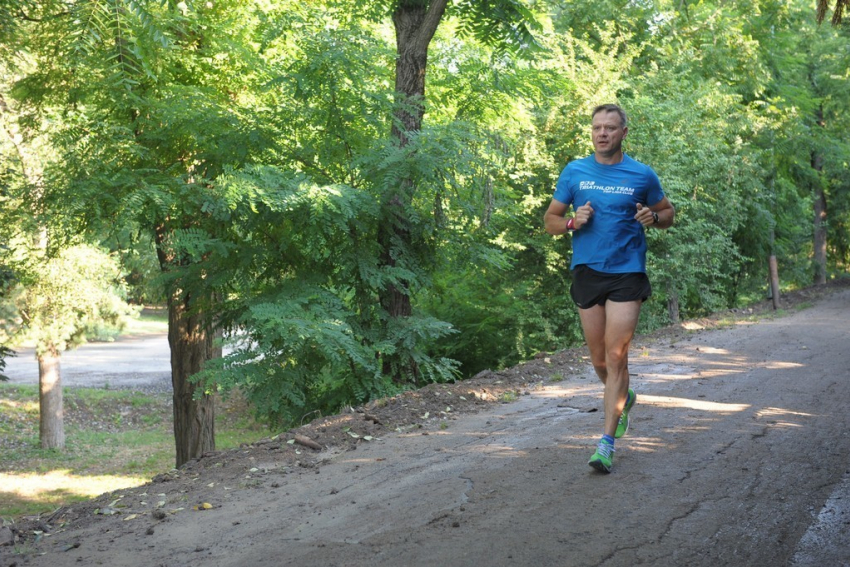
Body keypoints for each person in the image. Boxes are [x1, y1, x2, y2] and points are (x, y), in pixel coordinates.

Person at [543, 104, 675, 473]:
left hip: (627, 272)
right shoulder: (575, 171)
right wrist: (571, 221)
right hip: (588, 271)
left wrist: (654, 217)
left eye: (610, 128)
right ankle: (624, 396)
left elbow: (668, 214)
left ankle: (606, 443)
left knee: (617, 356)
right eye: (597, 127)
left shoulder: (641, 174)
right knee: (600, 360)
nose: (602, 133)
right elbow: (550, 220)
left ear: (623, 133)